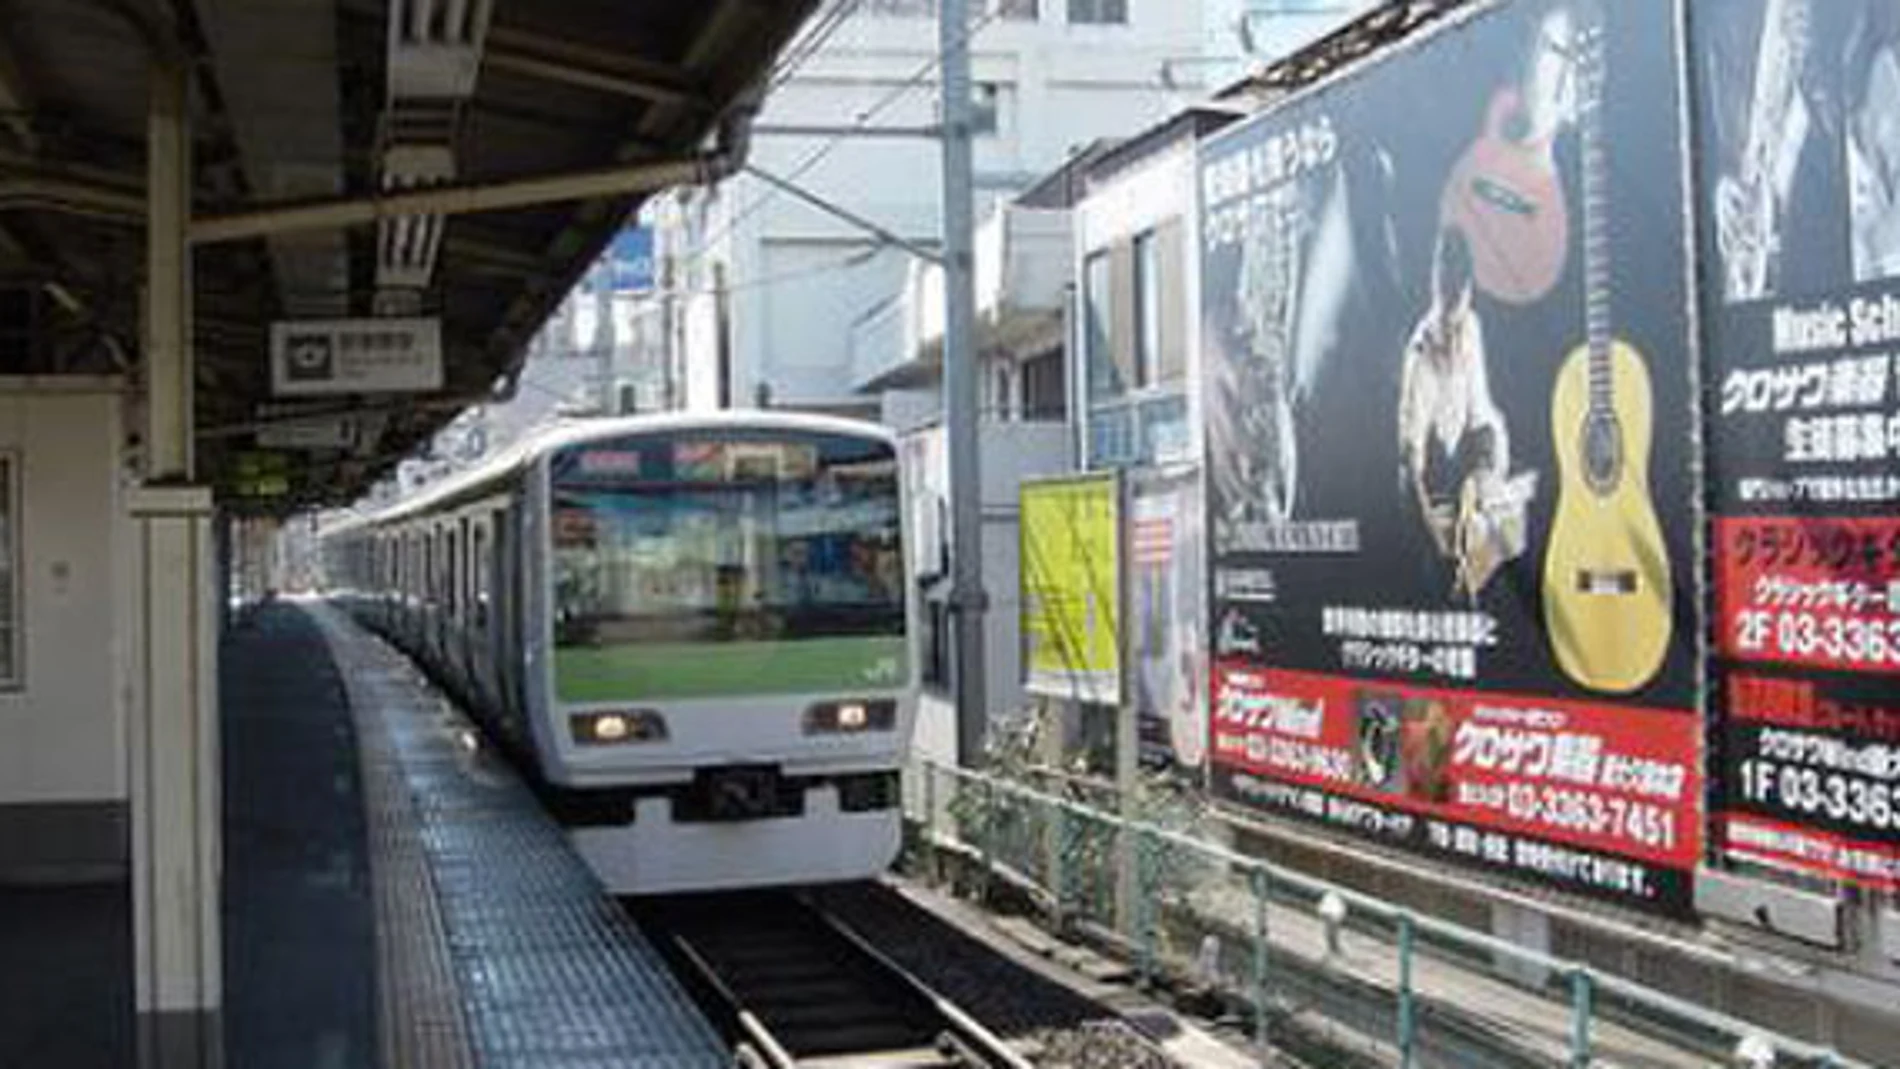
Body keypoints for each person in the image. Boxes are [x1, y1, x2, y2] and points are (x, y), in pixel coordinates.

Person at [1397, 226, 1528, 600]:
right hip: (1430, 496)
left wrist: (1481, 476)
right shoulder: (1421, 356)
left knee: (1518, 525)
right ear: (1436, 281)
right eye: (1449, 281)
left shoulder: (1471, 327)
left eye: (1463, 285)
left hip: (1467, 480)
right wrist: (1440, 547)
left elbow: (1481, 414)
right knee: (1454, 583)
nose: (1457, 296)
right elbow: (1410, 469)